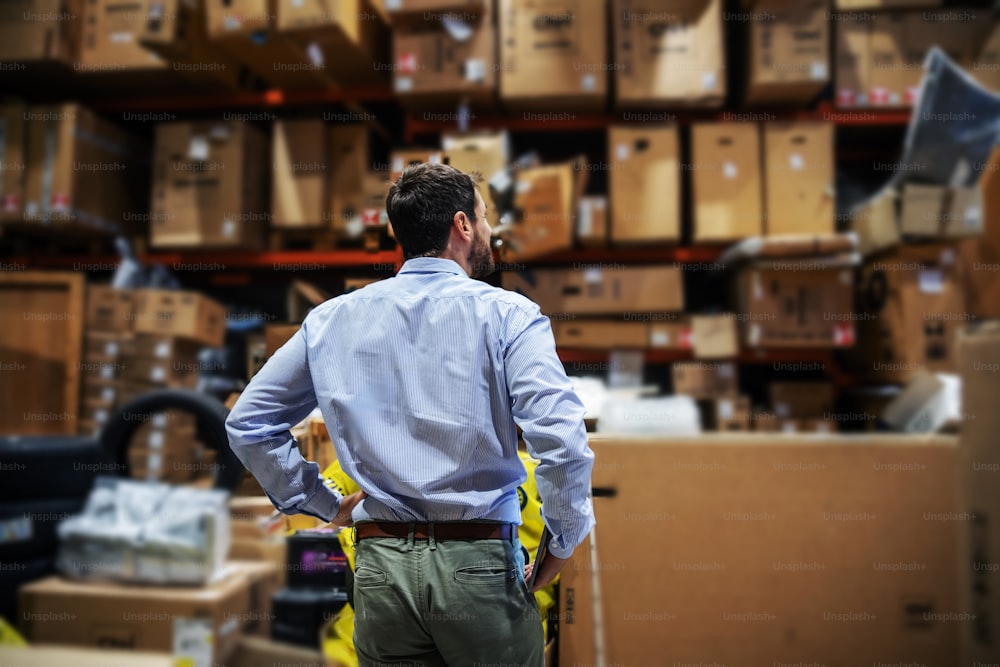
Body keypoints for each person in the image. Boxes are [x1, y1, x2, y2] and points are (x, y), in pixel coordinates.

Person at [226, 162, 595, 666]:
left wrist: (319, 501)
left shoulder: (333, 319)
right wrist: (562, 542)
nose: (488, 232)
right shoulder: (509, 315)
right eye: (484, 219)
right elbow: (564, 441)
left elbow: (248, 422)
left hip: (382, 573)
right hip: (480, 566)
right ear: (462, 226)